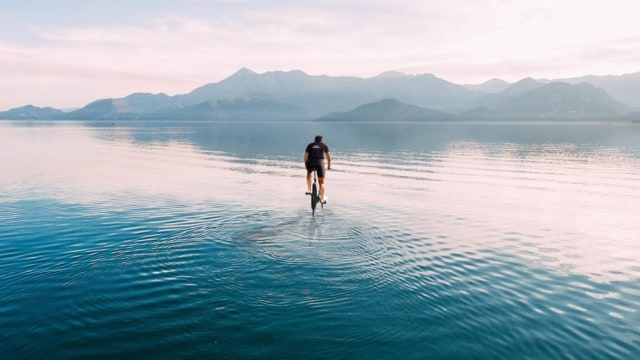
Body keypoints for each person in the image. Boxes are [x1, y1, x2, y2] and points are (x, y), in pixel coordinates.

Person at [305, 135, 331, 203]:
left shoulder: (310, 145)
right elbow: (329, 158)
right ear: (321, 140)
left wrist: (307, 165)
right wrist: (329, 166)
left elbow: (305, 157)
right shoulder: (324, 145)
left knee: (308, 174)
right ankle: (322, 198)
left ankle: (309, 190)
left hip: (310, 163)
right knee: (321, 182)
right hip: (320, 164)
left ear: (314, 140)